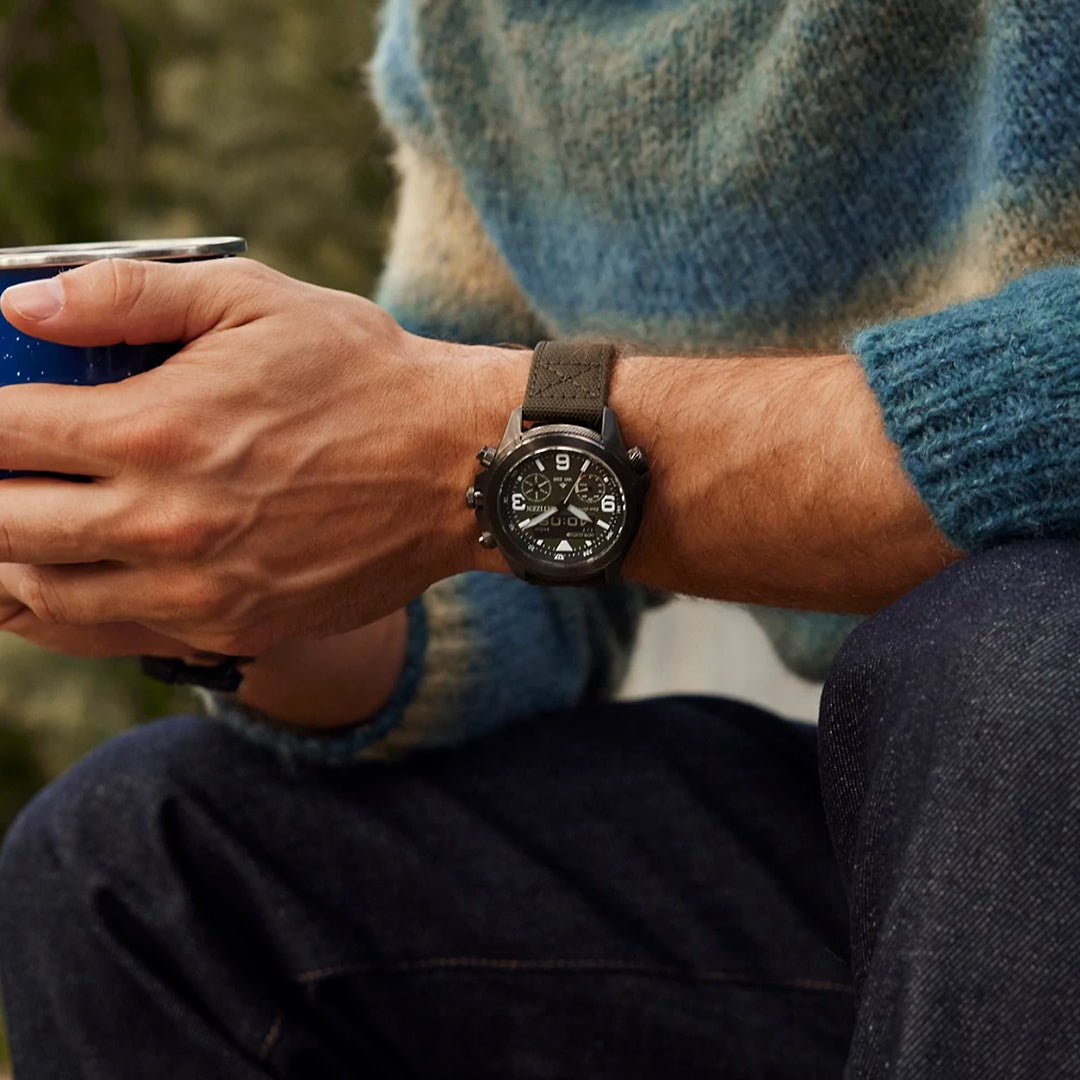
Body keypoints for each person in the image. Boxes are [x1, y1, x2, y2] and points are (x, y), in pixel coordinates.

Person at [1, 0, 1080, 1075]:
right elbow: (500, 555)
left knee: (1022, 649)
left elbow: (464, 454)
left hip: (1023, 743)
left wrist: (458, 443)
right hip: (904, 850)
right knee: (135, 866)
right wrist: (233, 589)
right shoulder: (474, 34)